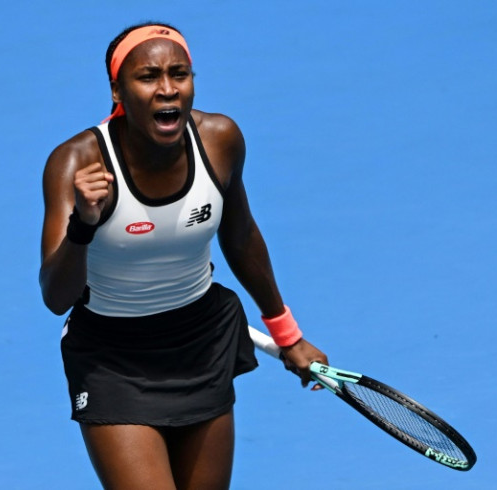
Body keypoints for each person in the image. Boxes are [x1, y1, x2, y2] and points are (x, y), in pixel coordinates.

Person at [40, 22, 328, 490]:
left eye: (180, 73)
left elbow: (242, 237)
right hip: (112, 359)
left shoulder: (220, 139)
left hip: (202, 342)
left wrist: (288, 335)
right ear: (118, 89)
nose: (168, 89)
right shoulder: (75, 163)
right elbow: (56, 296)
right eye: (148, 76)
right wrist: (84, 225)